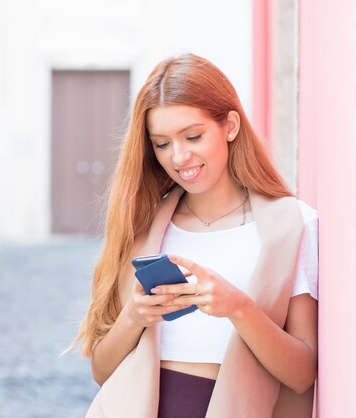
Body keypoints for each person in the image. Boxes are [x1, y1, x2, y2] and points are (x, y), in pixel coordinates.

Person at [72, 53, 318, 417]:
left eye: (193, 136)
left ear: (230, 126)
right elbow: (101, 371)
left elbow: (302, 375)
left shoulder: (290, 225)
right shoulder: (143, 227)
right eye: (162, 144)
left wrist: (237, 307)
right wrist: (134, 316)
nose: (180, 156)